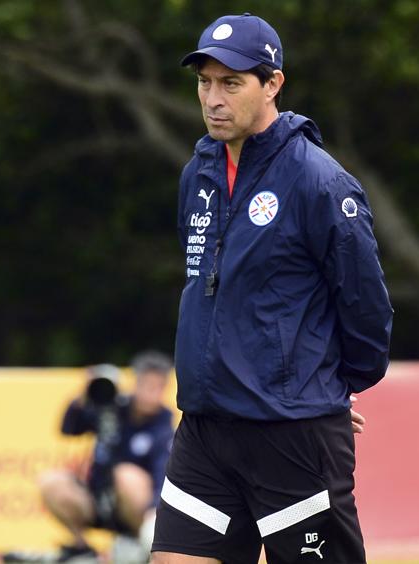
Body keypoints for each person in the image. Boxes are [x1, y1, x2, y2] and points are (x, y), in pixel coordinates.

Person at [154, 13, 393, 564]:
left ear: (273, 84)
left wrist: (325, 386)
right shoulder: (199, 173)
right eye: (204, 82)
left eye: (231, 83)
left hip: (291, 438)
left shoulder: (319, 181)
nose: (213, 98)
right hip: (207, 431)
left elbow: (367, 307)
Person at [17, 354, 175, 564]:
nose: (151, 394)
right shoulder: (112, 407)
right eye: (147, 385)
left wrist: (154, 515)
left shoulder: (163, 425)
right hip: (99, 500)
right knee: (50, 481)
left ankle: (139, 545)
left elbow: (161, 473)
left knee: (125, 474)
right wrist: (84, 395)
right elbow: (69, 428)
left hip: (138, 510)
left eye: (158, 387)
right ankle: (81, 547)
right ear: (136, 383)